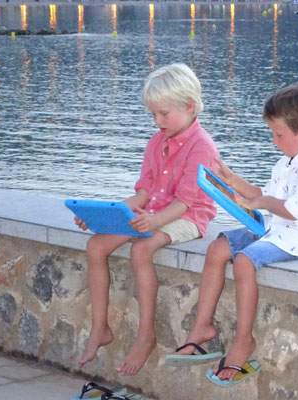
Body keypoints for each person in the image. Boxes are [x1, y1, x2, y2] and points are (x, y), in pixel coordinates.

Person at [174, 82, 298, 385]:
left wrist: (260, 202)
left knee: (244, 261)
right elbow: (264, 194)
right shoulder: (288, 160)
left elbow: (290, 209)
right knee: (217, 249)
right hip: (276, 227)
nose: (274, 140)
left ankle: (243, 341)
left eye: (279, 134)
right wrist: (231, 180)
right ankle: (202, 327)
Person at [74, 63, 219, 376]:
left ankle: (146, 335)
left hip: (189, 215)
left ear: (189, 106)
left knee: (142, 249)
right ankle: (100, 328)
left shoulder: (202, 147)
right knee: (96, 245)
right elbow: (143, 193)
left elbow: (184, 203)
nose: (157, 121)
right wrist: (105, 214)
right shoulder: (157, 141)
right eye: (153, 114)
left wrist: (152, 224)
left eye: (163, 114)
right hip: (154, 210)